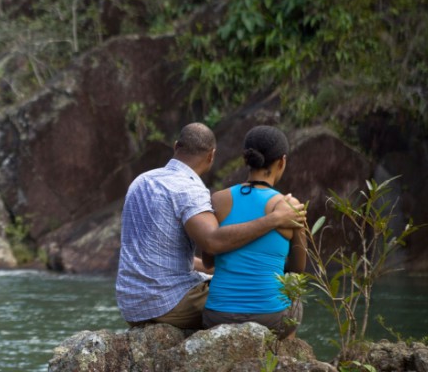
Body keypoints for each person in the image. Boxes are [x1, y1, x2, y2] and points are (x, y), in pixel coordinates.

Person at [116, 122, 306, 329]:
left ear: (176, 146)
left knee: (221, 279)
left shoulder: (141, 181)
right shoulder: (189, 188)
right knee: (244, 295)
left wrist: (226, 265)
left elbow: (165, 256)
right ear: (211, 156)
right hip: (167, 304)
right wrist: (275, 219)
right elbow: (212, 243)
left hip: (131, 305)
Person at [201, 125, 307, 338]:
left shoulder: (218, 200)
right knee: (293, 290)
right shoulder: (288, 206)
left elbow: (208, 261)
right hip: (270, 318)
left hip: (217, 316)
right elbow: (298, 267)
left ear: (245, 159)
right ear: (282, 161)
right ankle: (285, 359)